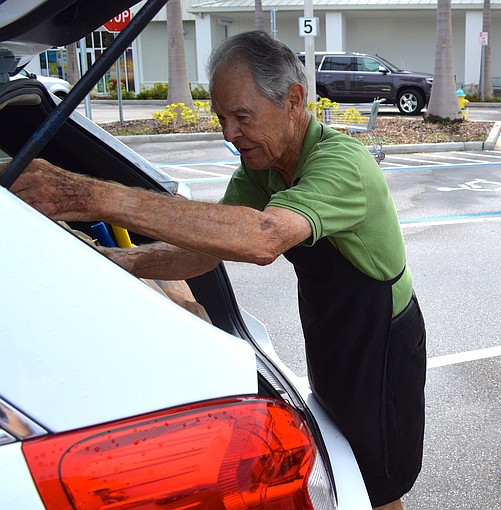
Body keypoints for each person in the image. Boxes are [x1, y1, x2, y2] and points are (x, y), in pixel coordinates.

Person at [8, 31, 426, 510]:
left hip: (382, 343)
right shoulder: (262, 169)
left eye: (242, 117)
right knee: (345, 462)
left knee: (379, 480)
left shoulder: (341, 163)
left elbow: (262, 236)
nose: (229, 133)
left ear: (294, 100)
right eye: (222, 118)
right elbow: (204, 253)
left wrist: (91, 196)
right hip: (333, 334)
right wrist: (116, 262)